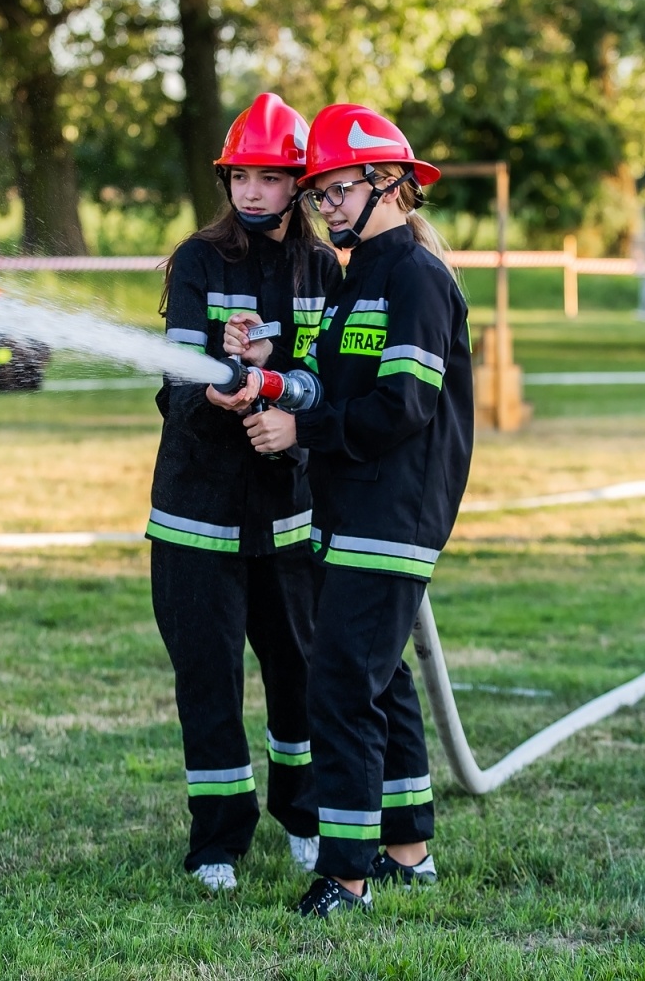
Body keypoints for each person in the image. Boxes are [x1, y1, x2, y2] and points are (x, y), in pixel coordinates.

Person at [219, 104, 474, 917]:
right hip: (347, 507)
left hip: (392, 511)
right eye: (318, 191)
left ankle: (347, 876)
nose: (323, 203)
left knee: (339, 685)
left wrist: (302, 425)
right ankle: (408, 852)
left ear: (390, 183)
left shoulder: (417, 278)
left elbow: (402, 406)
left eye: (338, 188)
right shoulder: (355, 274)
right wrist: (273, 370)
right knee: (380, 680)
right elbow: (335, 381)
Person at [146, 92, 343, 892]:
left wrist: (286, 404)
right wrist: (217, 396)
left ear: (299, 182)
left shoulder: (324, 266)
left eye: (269, 178)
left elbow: (333, 378)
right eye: (240, 178)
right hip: (196, 510)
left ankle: (303, 815)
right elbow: (175, 378)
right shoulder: (198, 260)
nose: (252, 193)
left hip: (286, 510)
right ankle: (218, 840)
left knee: (296, 670)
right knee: (209, 676)